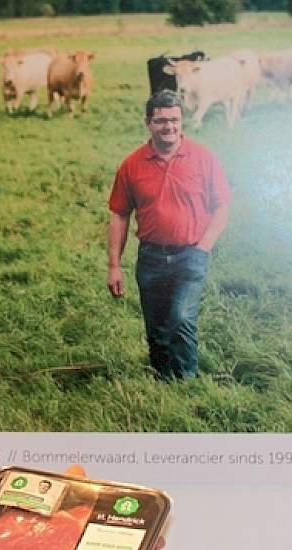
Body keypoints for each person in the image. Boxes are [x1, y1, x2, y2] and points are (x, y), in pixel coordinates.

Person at [107, 90, 231, 381]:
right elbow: (119, 214)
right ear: (148, 123)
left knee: (181, 319)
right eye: (161, 121)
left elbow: (222, 205)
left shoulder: (203, 158)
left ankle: (187, 383)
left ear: (181, 120)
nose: (169, 127)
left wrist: (203, 248)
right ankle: (163, 381)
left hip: (191, 254)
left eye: (174, 120)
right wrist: (114, 265)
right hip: (150, 257)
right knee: (157, 328)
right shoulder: (131, 165)